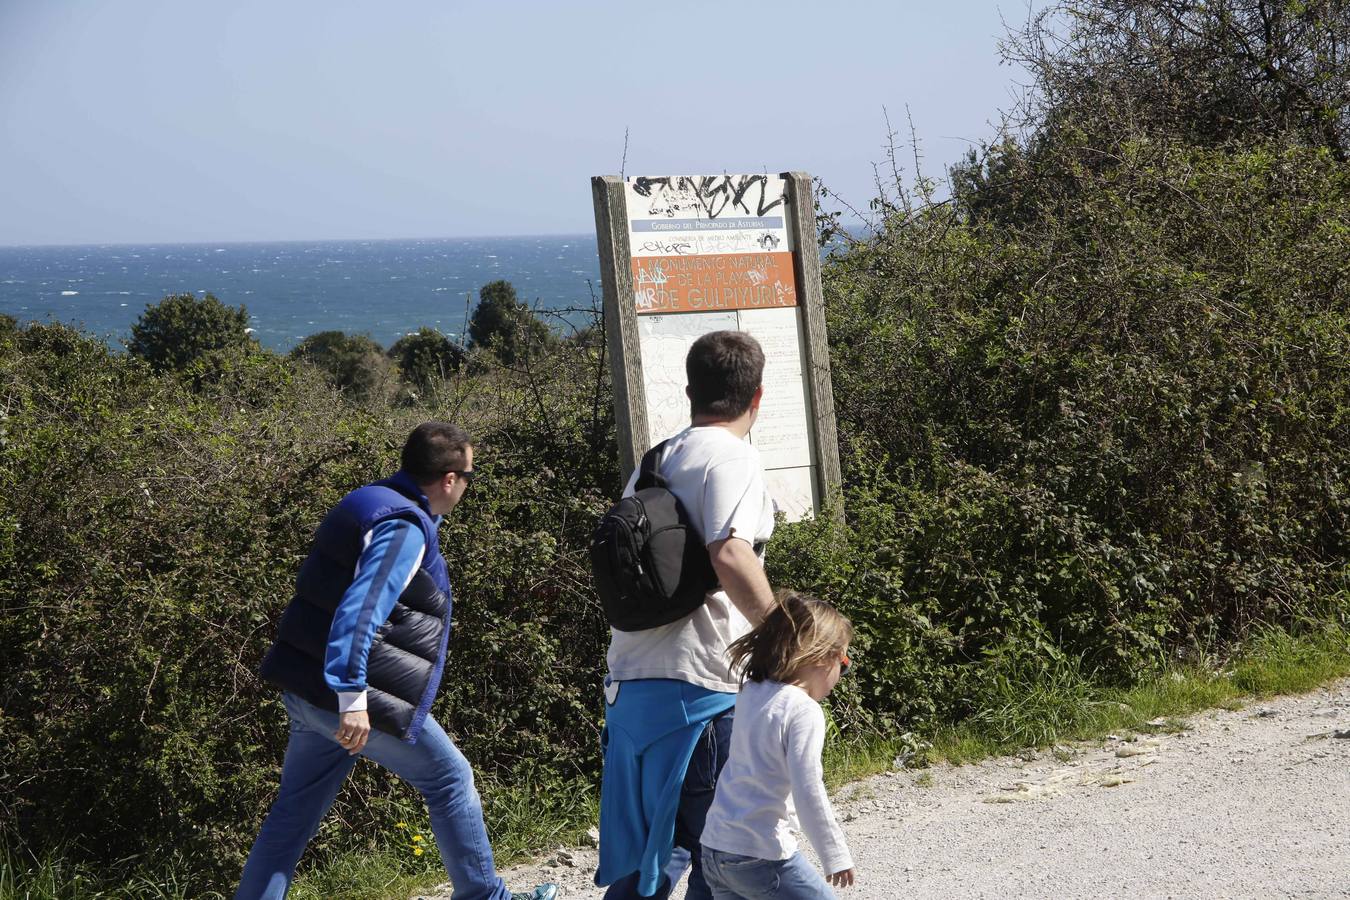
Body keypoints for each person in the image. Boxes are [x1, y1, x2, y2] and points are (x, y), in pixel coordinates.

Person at [235, 422, 557, 900]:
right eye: (471, 475)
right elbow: (361, 609)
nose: (471, 485)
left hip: (305, 690)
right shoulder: (402, 527)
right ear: (449, 479)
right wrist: (352, 696)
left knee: (294, 812)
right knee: (450, 778)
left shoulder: (372, 499)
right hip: (345, 696)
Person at [594, 330, 778, 900]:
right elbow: (729, 550)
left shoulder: (655, 461)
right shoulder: (735, 459)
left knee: (647, 856)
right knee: (718, 859)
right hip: (701, 692)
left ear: (691, 392)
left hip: (629, 688)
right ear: (757, 397)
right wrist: (782, 635)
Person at [700, 592, 856, 899]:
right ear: (823, 657)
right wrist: (834, 854)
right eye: (844, 662)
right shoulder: (803, 710)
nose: (843, 673)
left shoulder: (750, 692)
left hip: (715, 850)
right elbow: (807, 787)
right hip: (761, 854)